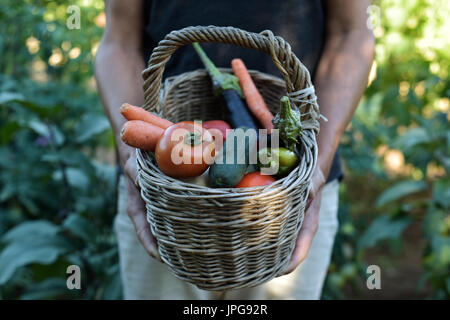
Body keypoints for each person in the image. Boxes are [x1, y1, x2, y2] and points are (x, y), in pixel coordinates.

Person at [95, 0, 374, 299]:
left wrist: (315, 169)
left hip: (285, 207)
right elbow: (119, 42)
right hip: (166, 206)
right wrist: (134, 160)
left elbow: (351, 34)